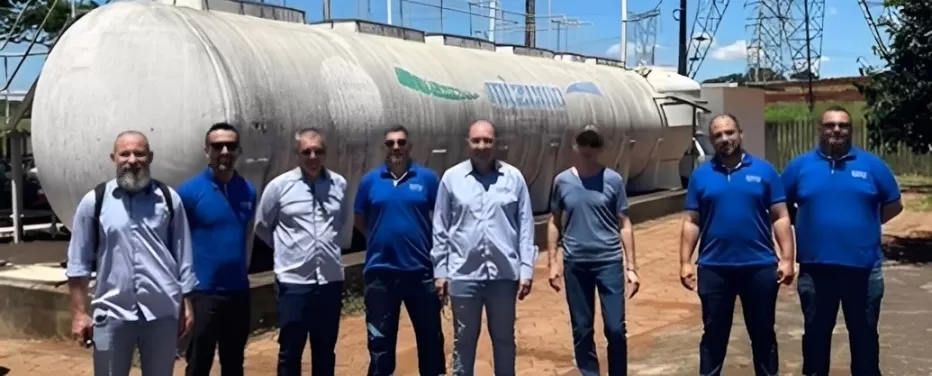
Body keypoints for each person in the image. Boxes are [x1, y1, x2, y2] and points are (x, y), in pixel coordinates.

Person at [782, 106, 902, 376]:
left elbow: (894, 205)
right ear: (820, 129)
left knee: (865, 339)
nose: (836, 130)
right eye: (830, 125)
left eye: (843, 125)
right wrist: (806, 223)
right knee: (815, 338)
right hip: (815, 270)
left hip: (863, 270)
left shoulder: (872, 165)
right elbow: (781, 208)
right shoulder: (800, 167)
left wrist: (866, 223)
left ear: (851, 130)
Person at [66, 130, 196, 376]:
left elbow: (184, 256)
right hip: (113, 312)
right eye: (125, 153)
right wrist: (79, 313)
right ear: (113, 158)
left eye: (140, 153)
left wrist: (187, 304)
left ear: (150, 157)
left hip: (161, 310)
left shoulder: (169, 200)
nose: (132, 160)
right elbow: (77, 263)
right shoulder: (95, 202)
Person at [678, 114, 796, 376]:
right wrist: (685, 262)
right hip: (714, 268)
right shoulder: (701, 176)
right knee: (713, 336)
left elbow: (781, 216)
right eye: (718, 135)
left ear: (740, 133)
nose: (725, 139)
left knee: (763, 334)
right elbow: (691, 221)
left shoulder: (764, 171)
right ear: (711, 140)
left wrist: (787, 259)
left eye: (729, 132)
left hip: (759, 267)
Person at [431, 120, 537, 376]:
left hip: (503, 275)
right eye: (477, 140)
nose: (482, 146)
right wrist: (440, 271)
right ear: (468, 143)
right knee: (464, 341)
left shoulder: (513, 179)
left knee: (503, 340)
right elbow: (440, 227)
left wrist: (526, 269)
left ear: (495, 143)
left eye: (487, 140)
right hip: (463, 275)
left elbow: (525, 225)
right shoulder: (451, 179)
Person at [546, 125, 640, 376]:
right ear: (575, 147)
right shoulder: (562, 181)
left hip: (608, 261)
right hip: (576, 263)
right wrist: (553, 262)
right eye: (583, 143)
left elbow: (624, 223)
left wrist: (631, 267)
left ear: (600, 148)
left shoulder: (613, 180)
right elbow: (555, 221)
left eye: (593, 144)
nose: (588, 149)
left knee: (616, 327)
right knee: (582, 328)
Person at [254, 128, 349, 376]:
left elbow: (340, 223)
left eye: (318, 151)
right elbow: (263, 227)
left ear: (325, 153)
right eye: (307, 151)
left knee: (325, 349)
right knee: (290, 349)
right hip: (294, 283)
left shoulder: (339, 184)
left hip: (329, 281)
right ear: (297, 154)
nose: (313, 156)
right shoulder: (279, 187)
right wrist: (290, 251)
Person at [354, 125, 446, 376]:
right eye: (390, 143)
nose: (396, 147)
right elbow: (360, 219)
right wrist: (379, 238)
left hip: (421, 274)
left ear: (410, 146)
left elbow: (441, 220)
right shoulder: (369, 181)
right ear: (384, 148)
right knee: (380, 344)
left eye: (401, 142)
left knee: (430, 341)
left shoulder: (427, 179)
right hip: (380, 275)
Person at [177, 122, 257, 376]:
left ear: (239, 150)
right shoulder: (189, 192)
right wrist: (184, 297)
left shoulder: (248, 190)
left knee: (234, 364)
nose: (224, 151)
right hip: (203, 294)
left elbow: (244, 235)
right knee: (199, 364)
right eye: (217, 146)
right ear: (206, 150)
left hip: (238, 292)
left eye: (231, 146)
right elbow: (176, 244)